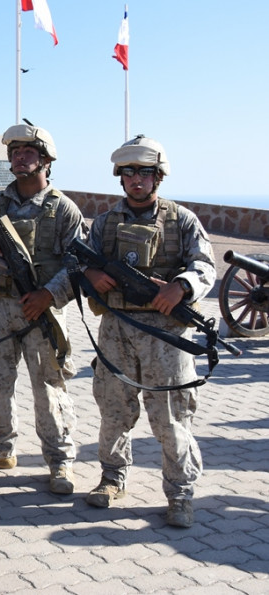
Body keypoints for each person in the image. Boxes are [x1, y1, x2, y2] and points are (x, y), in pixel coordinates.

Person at [81, 135, 215, 528]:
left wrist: (183, 286)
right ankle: (112, 478)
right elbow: (79, 264)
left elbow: (205, 265)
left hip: (165, 334)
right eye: (128, 173)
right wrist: (92, 275)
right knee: (113, 410)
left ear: (158, 177)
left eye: (144, 172)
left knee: (172, 417)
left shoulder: (181, 219)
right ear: (119, 178)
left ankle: (179, 494)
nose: (135, 180)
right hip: (117, 328)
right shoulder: (105, 223)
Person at [0, 123, 85, 495]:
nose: (19, 158)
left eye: (28, 152)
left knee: (49, 386)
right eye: (15, 152)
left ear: (45, 159)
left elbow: (78, 264)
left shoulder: (63, 209)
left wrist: (49, 295)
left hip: (41, 308)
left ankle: (60, 460)